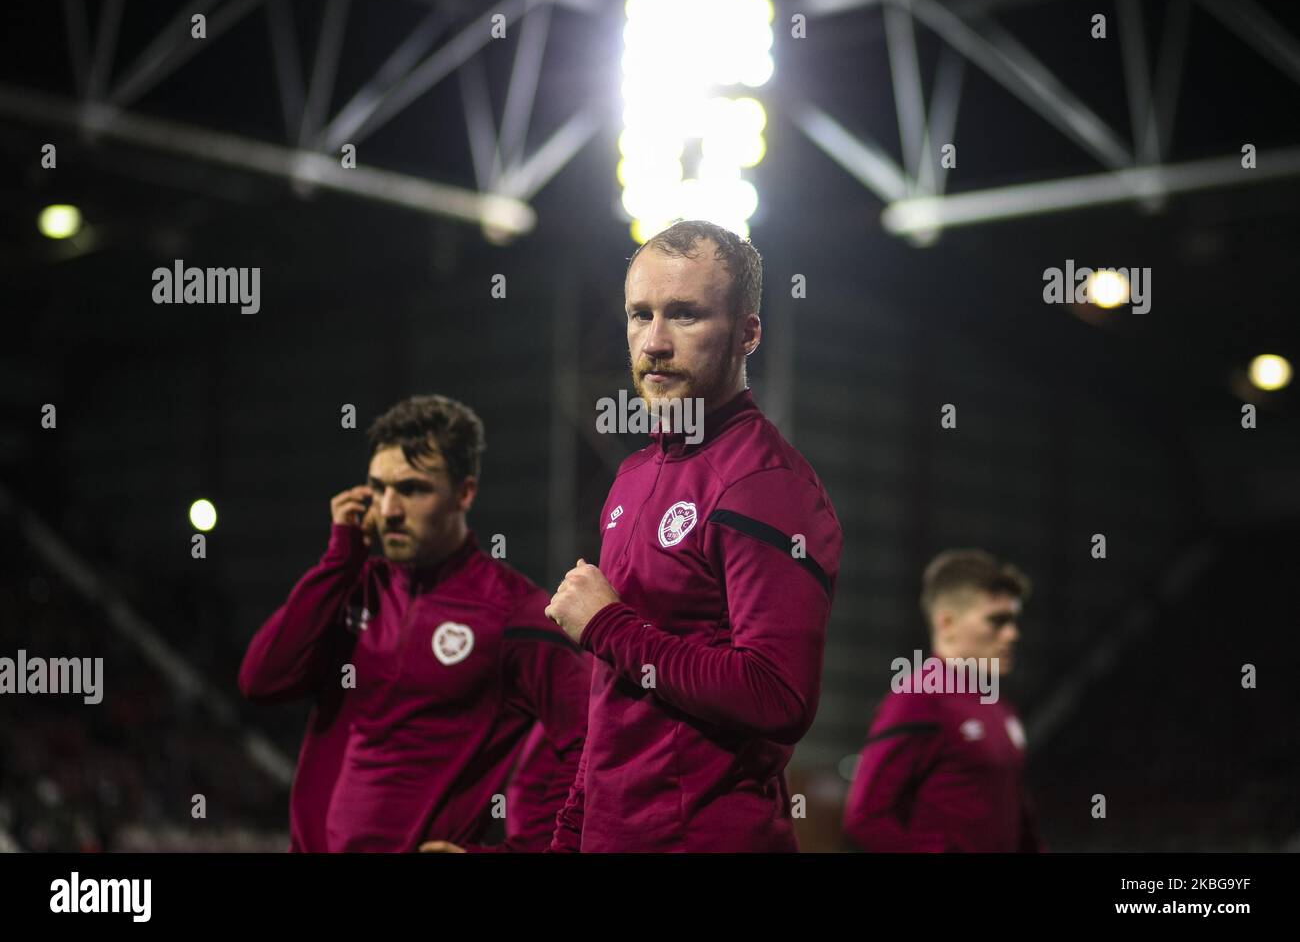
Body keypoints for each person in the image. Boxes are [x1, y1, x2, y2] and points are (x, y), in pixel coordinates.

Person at [544, 220, 843, 851]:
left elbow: (777, 693)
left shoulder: (765, 483)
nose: (653, 342)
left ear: (748, 333)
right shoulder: (632, 476)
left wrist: (608, 627)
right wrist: (572, 831)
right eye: (638, 314)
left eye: (684, 315)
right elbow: (615, 701)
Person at [238, 394, 589, 851]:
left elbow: (590, 740)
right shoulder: (354, 586)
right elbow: (261, 681)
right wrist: (338, 560)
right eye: (378, 487)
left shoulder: (513, 612)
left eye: (412, 489)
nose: (388, 510)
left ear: (464, 493)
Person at [843, 548, 1044, 852]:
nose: (1012, 634)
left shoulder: (1003, 711)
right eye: (997, 621)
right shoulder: (918, 698)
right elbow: (865, 817)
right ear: (947, 623)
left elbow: (1020, 822)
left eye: (1014, 621)